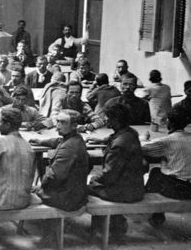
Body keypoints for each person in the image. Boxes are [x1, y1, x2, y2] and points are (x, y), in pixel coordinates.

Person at [87, 103, 145, 242]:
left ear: (116, 120)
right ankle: (113, 222)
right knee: (95, 183)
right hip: (135, 186)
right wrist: (100, 140)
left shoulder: (119, 145)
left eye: (108, 117)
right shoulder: (130, 133)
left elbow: (109, 174)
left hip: (123, 191)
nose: (106, 120)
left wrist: (95, 178)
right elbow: (115, 138)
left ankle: (109, 226)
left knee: (88, 187)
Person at [30, 110, 90, 211]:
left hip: (65, 198)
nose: (58, 125)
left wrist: (40, 187)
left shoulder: (69, 147)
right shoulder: (75, 138)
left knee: (25, 192)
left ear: (74, 126)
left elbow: (54, 176)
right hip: (73, 193)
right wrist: (40, 141)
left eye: (63, 122)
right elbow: (58, 141)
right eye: (57, 121)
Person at [0, 107, 36, 211]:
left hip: (0, 201)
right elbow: (30, 178)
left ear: (8, 125)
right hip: (23, 201)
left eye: (0, 122)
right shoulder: (28, 147)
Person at [142, 111, 191, 227]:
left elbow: (141, 148)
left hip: (178, 189)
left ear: (170, 123)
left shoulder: (168, 141)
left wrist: (143, 138)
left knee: (155, 172)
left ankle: (155, 213)